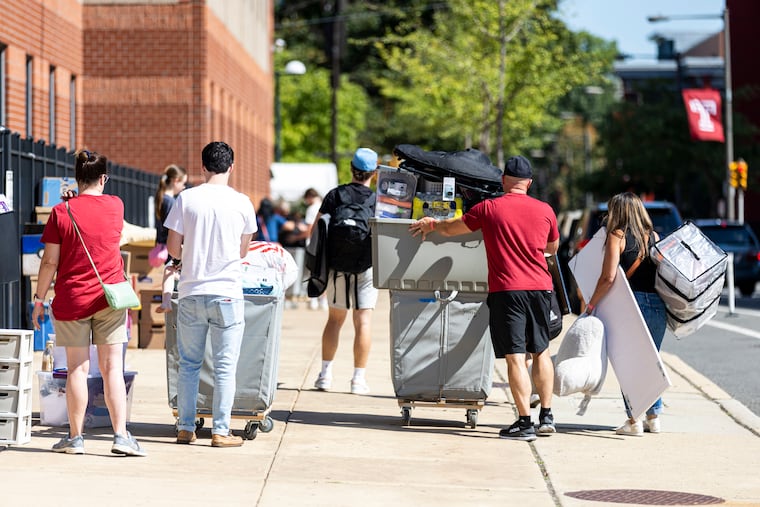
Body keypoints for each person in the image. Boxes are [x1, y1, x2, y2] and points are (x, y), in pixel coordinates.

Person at [409, 155, 559, 442]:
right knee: (541, 351)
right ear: (529, 183)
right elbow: (551, 246)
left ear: (503, 181)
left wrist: (431, 225)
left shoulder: (489, 208)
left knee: (516, 357)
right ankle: (547, 416)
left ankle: (525, 422)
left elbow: (454, 228)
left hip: (508, 290)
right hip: (541, 288)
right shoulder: (546, 210)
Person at [31, 149, 146, 456]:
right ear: (104, 178)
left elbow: (49, 262)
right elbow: (98, 223)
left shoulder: (60, 212)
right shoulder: (116, 206)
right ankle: (121, 435)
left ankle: (75, 437)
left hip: (72, 300)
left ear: (76, 177)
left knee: (77, 371)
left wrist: (39, 299)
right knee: (112, 370)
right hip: (110, 298)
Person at [164, 141, 257, 447]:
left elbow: (172, 247)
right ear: (232, 166)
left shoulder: (186, 199)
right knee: (225, 366)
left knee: (189, 364)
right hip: (228, 292)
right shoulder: (243, 202)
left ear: (202, 167)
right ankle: (220, 429)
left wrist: (181, 261)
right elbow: (243, 250)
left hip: (191, 290)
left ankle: (186, 427)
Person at [582, 192, 666, 436]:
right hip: (658, 306)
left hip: (633, 304)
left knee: (627, 362)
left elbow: (608, 277)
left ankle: (633, 420)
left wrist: (591, 305)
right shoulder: (654, 237)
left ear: (617, 211)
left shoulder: (616, 235)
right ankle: (653, 416)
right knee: (651, 361)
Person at [312, 148, 378, 395]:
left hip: (337, 266)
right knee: (363, 321)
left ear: (351, 168)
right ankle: (358, 379)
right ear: (374, 172)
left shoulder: (335, 195)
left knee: (334, 320)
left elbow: (315, 231)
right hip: (366, 267)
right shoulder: (375, 199)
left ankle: (325, 375)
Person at [152, 164, 187, 268]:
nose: (184, 187)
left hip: (161, 246)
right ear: (175, 181)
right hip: (170, 248)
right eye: (183, 183)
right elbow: (173, 228)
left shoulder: (162, 198)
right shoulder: (171, 202)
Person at [303, 188, 328, 310]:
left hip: (312, 243)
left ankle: (313, 299)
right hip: (324, 244)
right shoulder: (326, 205)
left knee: (311, 271)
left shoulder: (311, 209)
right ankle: (323, 300)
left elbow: (309, 228)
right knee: (323, 272)